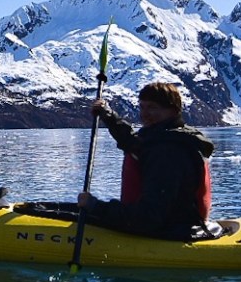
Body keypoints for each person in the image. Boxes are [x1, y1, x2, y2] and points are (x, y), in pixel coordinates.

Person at [78, 82, 215, 240]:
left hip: (167, 231)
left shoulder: (168, 151)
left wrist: (96, 207)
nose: (144, 114)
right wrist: (108, 115)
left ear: (173, 110)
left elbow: (149, 217)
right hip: (173, 224)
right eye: (142, 107)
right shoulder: (166, 138)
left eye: (152, 107)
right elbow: (135, 144)